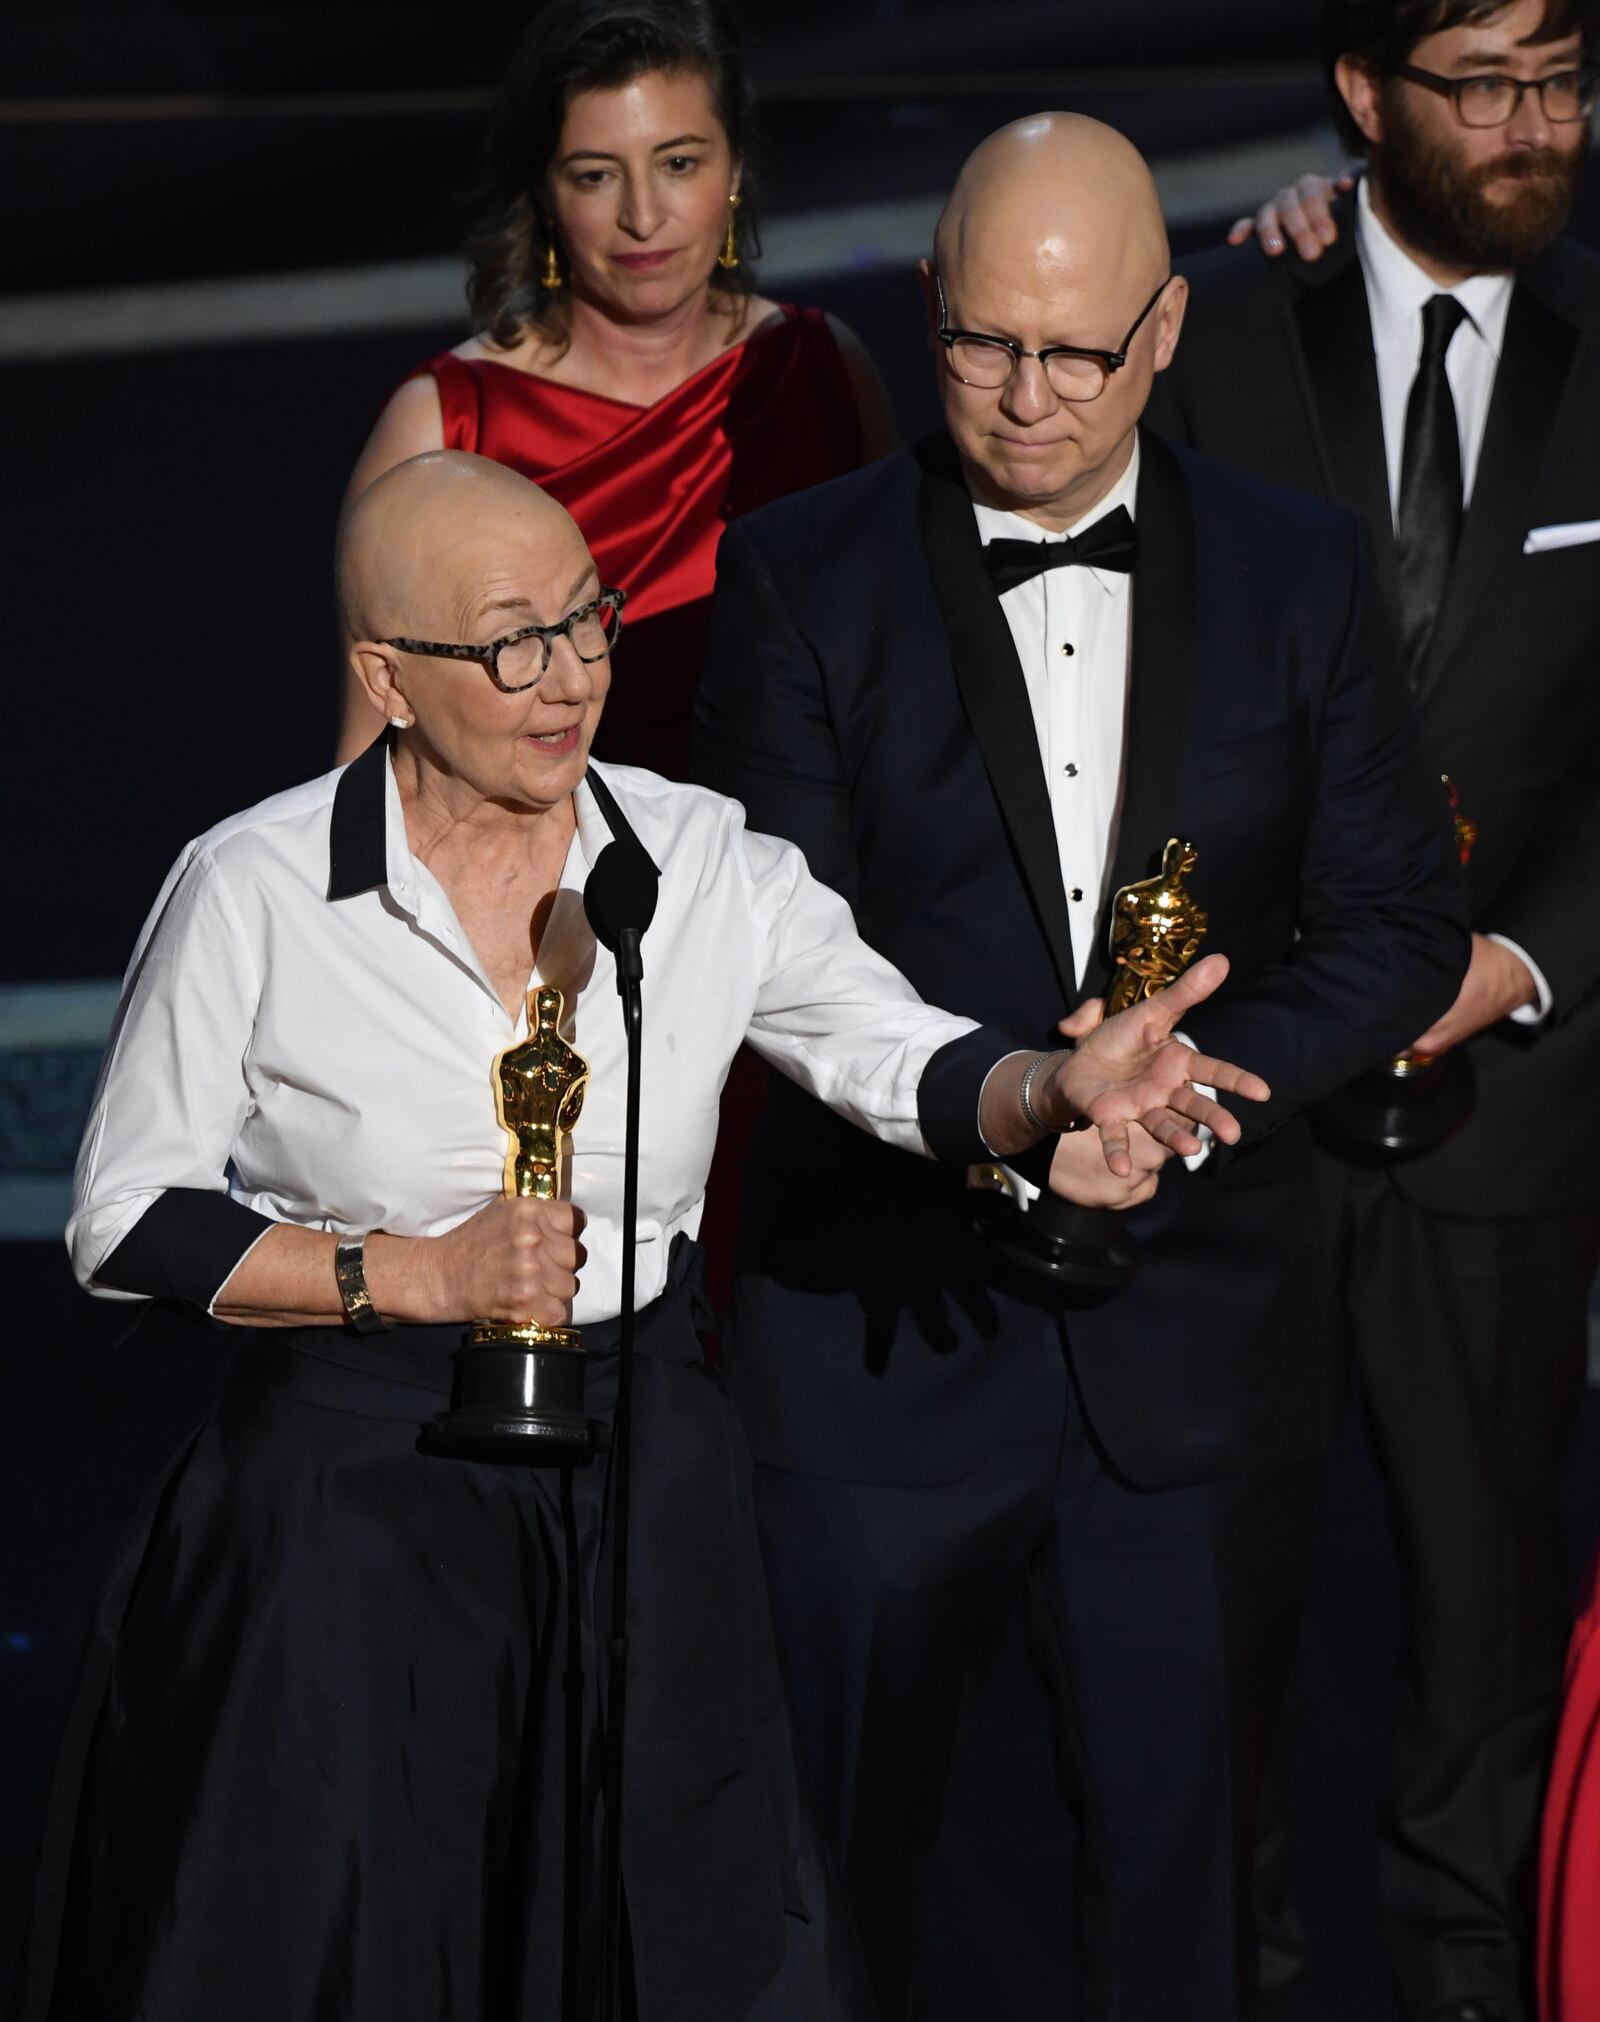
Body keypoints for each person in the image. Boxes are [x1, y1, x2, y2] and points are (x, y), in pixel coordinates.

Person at [12, 451, 1265, 2022]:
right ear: (385, 677)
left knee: (676, 1935)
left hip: (638, 1475)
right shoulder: (255, 886)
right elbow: (128, 1216)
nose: (568, 680)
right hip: (348, 1503)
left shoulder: (693, 857)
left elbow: (895, 1052)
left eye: (588, 623)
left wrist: (1044, 1094)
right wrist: (410, 1273)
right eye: (509, 641)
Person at [691, 111, 1470, 2022]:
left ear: (1166, 339)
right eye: (978, 344)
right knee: (840, 1901)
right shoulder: (798, 572)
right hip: (878, 1353)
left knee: (1181, 1913)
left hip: (1194, 1375)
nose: (1025, 398)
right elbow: (775, 948)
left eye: (1075, 352)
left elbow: (1394, 932)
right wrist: (1021, 1099)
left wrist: (1172, 1092)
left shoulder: (1298, 568)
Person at [1145, 4, 1600, 2016]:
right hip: (1244, 1095)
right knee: (1213, 1628)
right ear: (1358, 95)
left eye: (1562, 76)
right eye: (1478, 81)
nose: (1532, 124)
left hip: (1511, 1111)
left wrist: (1508, 965)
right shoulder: (1223, 337)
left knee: (1482, 1659)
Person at [339, 0, 891, 781]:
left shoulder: (823, 370)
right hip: (555, 875)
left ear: (734, 170)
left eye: (678, 164)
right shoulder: (446, 423)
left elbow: (894, 677)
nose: (642, 217)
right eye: (596, 176)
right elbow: (370, 755)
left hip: (805, 860)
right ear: (544, 193)